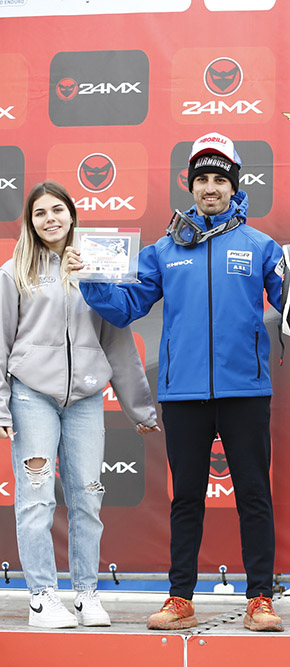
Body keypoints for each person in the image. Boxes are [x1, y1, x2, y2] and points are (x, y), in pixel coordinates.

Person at [66, 132, 290, 632]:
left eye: (219, 179)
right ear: (189, 185)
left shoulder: (261, 246)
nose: (210, 187)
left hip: (245, 391)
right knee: (186, 498)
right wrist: (92, 278)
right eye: (202, 179)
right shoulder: (163, 251)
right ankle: (180, 598)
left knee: (254, 495)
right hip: (184, 393)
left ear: (234, 186)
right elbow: (126, 307)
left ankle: (260, 599)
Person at [0, 182, 158, 628]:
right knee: (36, 499)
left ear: (72, 214)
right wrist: (1, 406)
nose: (50, 219)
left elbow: (118, 342)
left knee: (88, 498)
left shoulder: (98, 266)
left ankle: (86, 594)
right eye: (40, 213)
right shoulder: (14, 271)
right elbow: (1, 339)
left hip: (86, 398)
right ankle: (42, 597)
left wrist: (139, 408)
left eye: (57, 210)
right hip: (31, 395)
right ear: (30, 222)